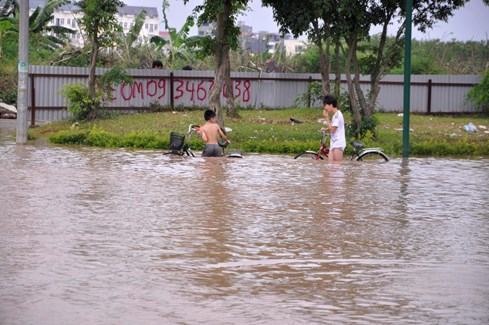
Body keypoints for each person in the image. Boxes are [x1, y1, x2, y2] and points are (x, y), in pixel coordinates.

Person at [322, 95, 346, 161]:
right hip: (334, 143)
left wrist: (326, 117)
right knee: (331, 166)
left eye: (325, 105)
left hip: (338, 143)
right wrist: (326, 129)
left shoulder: (338, 115)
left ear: (331, 105)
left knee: (336, 168)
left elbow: (333, 130)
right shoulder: (335, 115)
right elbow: (333, 127)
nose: (325, 108)